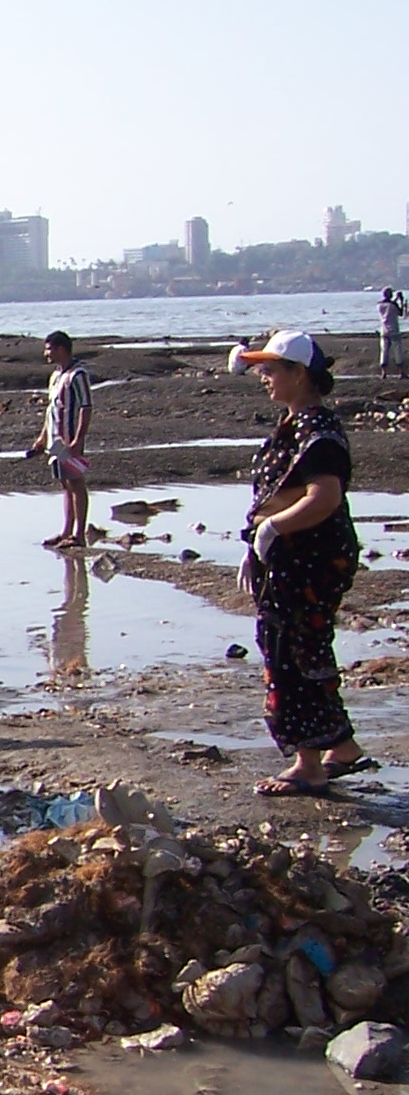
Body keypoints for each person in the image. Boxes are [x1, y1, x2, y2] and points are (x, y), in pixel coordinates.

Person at [230, 330, 372, 796]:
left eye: (271, 370)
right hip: (292, 558)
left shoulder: (318, 431)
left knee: (291, 651)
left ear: (299, 374)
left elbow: (323, 496)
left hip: (310, 559)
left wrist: (272, 529)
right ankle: (341, 747)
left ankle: (307, 763)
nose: (264, 377)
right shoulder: (295, 424)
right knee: (306, 646)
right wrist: (257, 544)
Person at [26, 330, 93, 549]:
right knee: (65, 484)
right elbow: (51, 410)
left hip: (69, 438)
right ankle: (66, 532)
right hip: (55, 441)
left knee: (76, 482)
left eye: (49, 349)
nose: (46, 354)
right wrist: (42, 438)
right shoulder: (55, 376)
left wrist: (78, 439)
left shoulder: (78, 374)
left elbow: (86, 407)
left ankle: (79, 535)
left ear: (61, 349)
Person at [380, 290, 405, 381]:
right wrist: (401, 301)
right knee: (397, 351)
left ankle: (384, 373)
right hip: (394, 330)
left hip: (384, 330)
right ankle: (401, 372)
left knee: (384, 352)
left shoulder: (380, 305)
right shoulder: (393, 305)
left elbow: (389, 306)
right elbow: (400, 313)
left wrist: (396, 299)